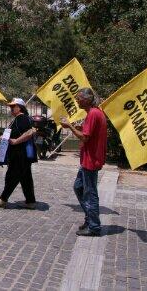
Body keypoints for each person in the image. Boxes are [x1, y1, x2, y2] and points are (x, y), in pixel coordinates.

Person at [61, 88, 107, 237]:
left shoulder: (93, 113)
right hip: (88, 159)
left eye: (79, 98)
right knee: (78, 187)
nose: (77, 100)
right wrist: (79, 127)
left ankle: (94, 226)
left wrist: (70, 126)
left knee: (90, 193)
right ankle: (90, 218)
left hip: (91, 160)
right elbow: (89, 133)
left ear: (87, 99)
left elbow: (85, 138)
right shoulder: (93, 113)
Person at [0, 98, 37, 209]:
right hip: (19, 153)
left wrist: (16, 141)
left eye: (12, 106)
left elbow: (30, 132)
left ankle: (3, 199)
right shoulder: (18, 119)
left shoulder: (22, 118)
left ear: (19, 107)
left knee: (12, 176)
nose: (10, 108)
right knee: (25, 178)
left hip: (20, 153)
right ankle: (30, 201)